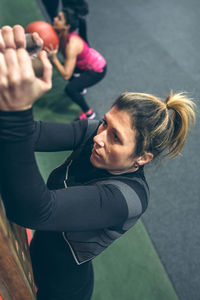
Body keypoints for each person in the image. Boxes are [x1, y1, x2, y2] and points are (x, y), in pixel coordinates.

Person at [0, 25, 196, 300]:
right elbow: (33, 134)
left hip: (63, 288)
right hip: (36, 254)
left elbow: (35, 211)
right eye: (105, 122)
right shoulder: (96, 132)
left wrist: (15, 111)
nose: (100, 137)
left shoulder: (127, 198)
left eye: (116, 137)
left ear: (142, 158)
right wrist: (10, 71)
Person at [46, 8, 107, 120]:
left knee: (70, 89)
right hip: (82, 64)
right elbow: (58, 49)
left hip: (97, 70)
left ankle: (89, 113)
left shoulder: (72, 45)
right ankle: (81, 87)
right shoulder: (62, 35)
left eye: (59, 19)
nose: (54, 19)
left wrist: (54, 59)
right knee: (66, 66)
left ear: (67, 26)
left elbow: (66, 75)